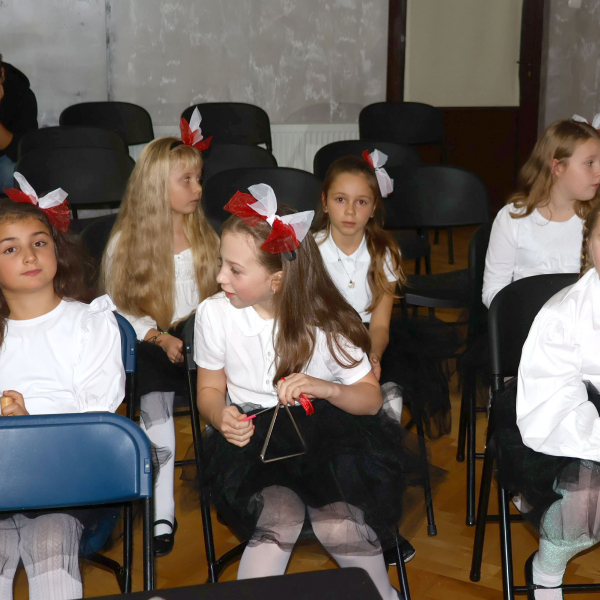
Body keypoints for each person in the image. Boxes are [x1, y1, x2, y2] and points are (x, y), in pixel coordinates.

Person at [195, 184, 430, 600]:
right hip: (255, 444)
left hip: (326, 438)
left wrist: (326, 388)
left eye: (235, 270)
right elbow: (210, 389)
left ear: (276, 279)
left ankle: (384, 596)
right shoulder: (214, 314)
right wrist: (219, 415)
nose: (220, 278)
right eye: (221, 264)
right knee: (280, 517)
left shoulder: (325, 321)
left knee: (338, 523)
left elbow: (370, 399)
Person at [0, 189, 124, 600]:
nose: (29, 256)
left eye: (39, 243)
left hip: (70, 474)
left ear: (56, 249)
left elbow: (96, 420)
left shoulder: (90, 323)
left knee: (49, 539)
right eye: (11, 249)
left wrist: (28, 428)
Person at [102, 135, 219, 556]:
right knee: (153, 391)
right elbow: (120, 310)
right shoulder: (126, 243)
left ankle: (227, 479)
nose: (197, 188)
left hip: (202, 343)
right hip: (152, 342)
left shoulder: (206, 236)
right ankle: (161, 508)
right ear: (155, 186)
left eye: (198, 178)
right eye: (186, 180)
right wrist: (160, 336)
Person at [496, 202, 600, 599]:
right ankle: (547, 570)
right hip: (568, 424)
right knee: (587, 501)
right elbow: (554, 404)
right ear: (588, 243)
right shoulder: (563, 314)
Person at [313, 153, 450, 439]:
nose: (350, 211)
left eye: (361, 202)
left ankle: (386, 441)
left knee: (389, 388)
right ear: (325, 202)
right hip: (322, 338)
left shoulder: (385, 251)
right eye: (341, 199)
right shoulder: (311, 251)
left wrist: (373, 355)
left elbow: (380, 325)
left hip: (369, 338)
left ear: (374, 207)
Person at [482, 117, 600, 309]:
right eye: (589, 163)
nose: (598, 171)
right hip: (525, 320)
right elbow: (493, 289)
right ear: (558, 168)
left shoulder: (596, 219)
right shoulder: (513, 218)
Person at [0, 54, 38, 189]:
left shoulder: (21, 95)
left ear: (2, 73)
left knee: (13, 174)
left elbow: (21, 152)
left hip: (6, 159)